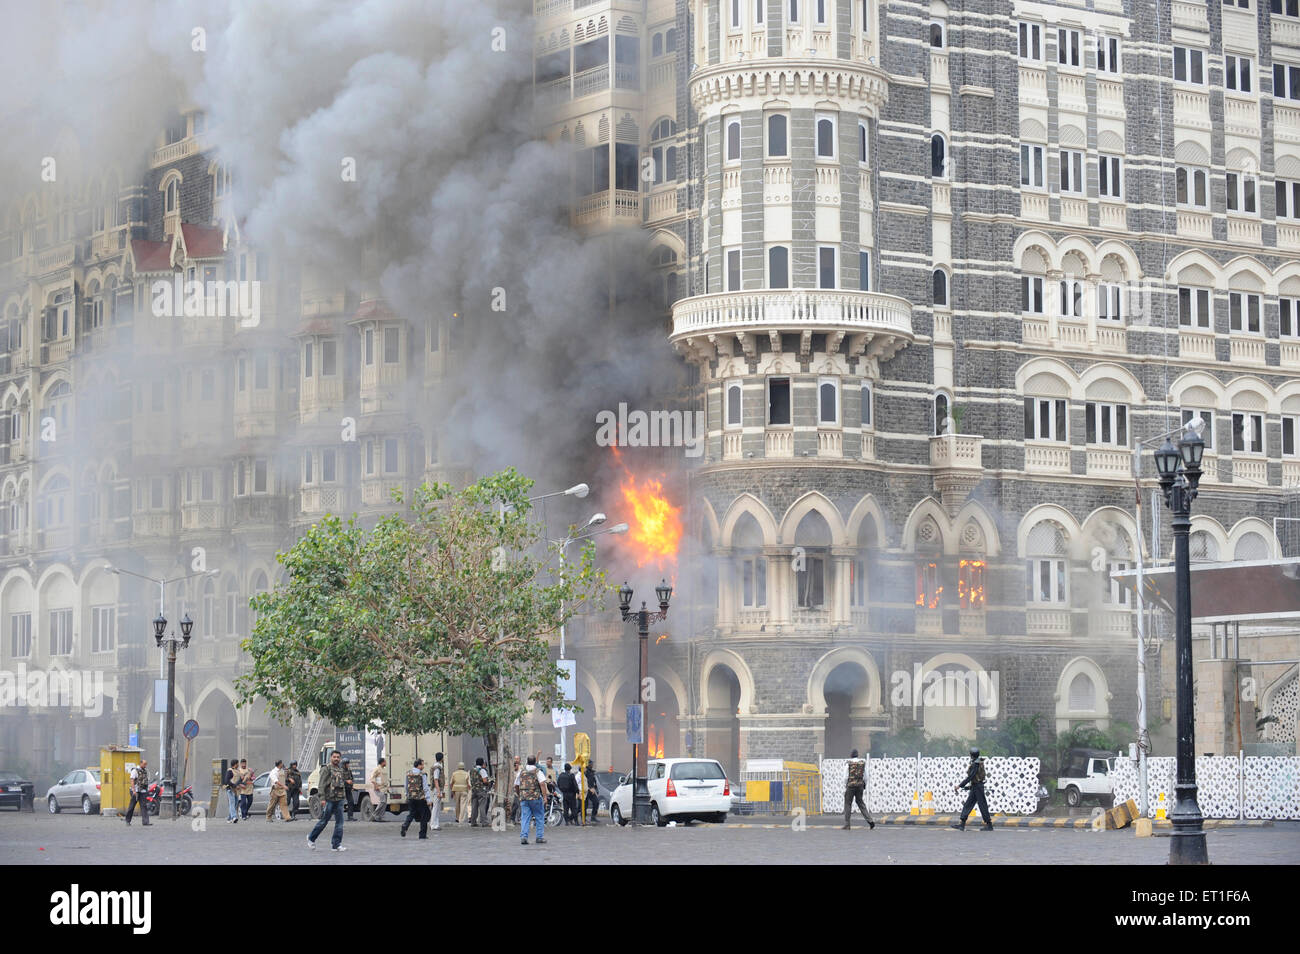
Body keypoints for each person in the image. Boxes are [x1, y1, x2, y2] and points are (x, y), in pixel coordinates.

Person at [307, 750, 349, 851]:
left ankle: (336, 845)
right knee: (323, 822)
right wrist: (322, 798)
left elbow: (341, 784)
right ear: (331, 758)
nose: (336, 759)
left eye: (338, 757)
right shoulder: (326, 769)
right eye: (334, 757)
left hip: (339, 800)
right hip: (329, 799)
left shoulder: (340, 769)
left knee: (339, 823)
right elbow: (321, 784)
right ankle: (311, 838)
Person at [952, 746, 993, 831]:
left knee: (982, 805)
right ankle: (962, 824)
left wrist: (960, 785)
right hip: (976, 786)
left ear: (972, 755)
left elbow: (971, 776)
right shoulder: (978, 762)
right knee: (968, 804)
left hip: (977, 787)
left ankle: (989, 825)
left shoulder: (975, 764)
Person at [841, 749, 875, 830]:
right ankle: (870, 821)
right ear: (857, 755)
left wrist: (845, 785)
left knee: (848, 803)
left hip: (851, 786)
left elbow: (845, 777)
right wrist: (864, 785)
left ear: (851, 755)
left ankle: (847, 824)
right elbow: (866, 776)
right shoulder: (862, 763)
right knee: (860, 803)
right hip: (860, 786)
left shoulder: (848, 764)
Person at [518, 755, 547, 846]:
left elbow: (516, 784)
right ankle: (539, 837)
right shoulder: (538, 772)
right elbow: (542, 784)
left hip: (524, 798)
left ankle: (524, 836)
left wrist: (519, 793)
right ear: (535, 762)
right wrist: (545, 796)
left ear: (527, 761)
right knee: (539, 816)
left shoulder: (521, 772)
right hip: (535, 797)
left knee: (525, 817)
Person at [400, 758, 431, 839]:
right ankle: (422, 834)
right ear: (419, 765)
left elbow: (406, 786)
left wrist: (407, 795)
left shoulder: (408, 773)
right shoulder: (422, 774)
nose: (423, 766)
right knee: (424, 816)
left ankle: (405, 826)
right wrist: (428, 799)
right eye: (422, 764)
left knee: (411, 813)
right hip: (420, 798)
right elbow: (425, 788)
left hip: (411, 798)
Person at [124, 758, 151, 827]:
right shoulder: (135, 771)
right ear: (141, 763)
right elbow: (132, 780)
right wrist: (133, 791)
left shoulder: (145, 771)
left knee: (144, 806)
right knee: (132, 806)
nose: (145, 765)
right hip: (136, 791)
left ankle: (145, 822)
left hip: (143, 791)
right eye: (144, 764)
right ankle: (127, 820)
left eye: (146, 764)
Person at [470, 757, 491, 827]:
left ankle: (473, 821)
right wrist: (488, 783)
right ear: (482, 763)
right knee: (482, 806)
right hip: (481, 790)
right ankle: (484, 822)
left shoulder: (472, 770)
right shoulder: (482, 770)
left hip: (474, 790)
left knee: (474, 806)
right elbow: (485, 781)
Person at [430, 752, 445, 831]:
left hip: (437, 788)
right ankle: (433, 825)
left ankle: (436, 823)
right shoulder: (437, 768)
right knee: (435, 807)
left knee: (437, 807)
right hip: (437, 789)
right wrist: (439, 791)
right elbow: (436, 779)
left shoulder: (437, 766)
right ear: (442, 758)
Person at [224, 757, 240, 824]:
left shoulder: (237, 771)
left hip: (236, 790)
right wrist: (234, 785)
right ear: (235, 764)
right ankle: (234, 817)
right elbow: (226, 781)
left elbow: (238, 780)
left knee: (235, 804)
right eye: (237, 764)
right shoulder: (229, 771)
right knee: (232, 803)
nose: (238, 765)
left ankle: (229, 818)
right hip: (230, 789)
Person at [509, 755, 522, 824]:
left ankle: (517, 818)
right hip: (512, 790)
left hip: (519, 790)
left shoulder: (521, 771)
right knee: (515, 804)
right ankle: (512, 818)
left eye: (516, 765)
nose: (515, 766)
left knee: (519, 805)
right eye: (514, 765)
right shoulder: (511, 772)